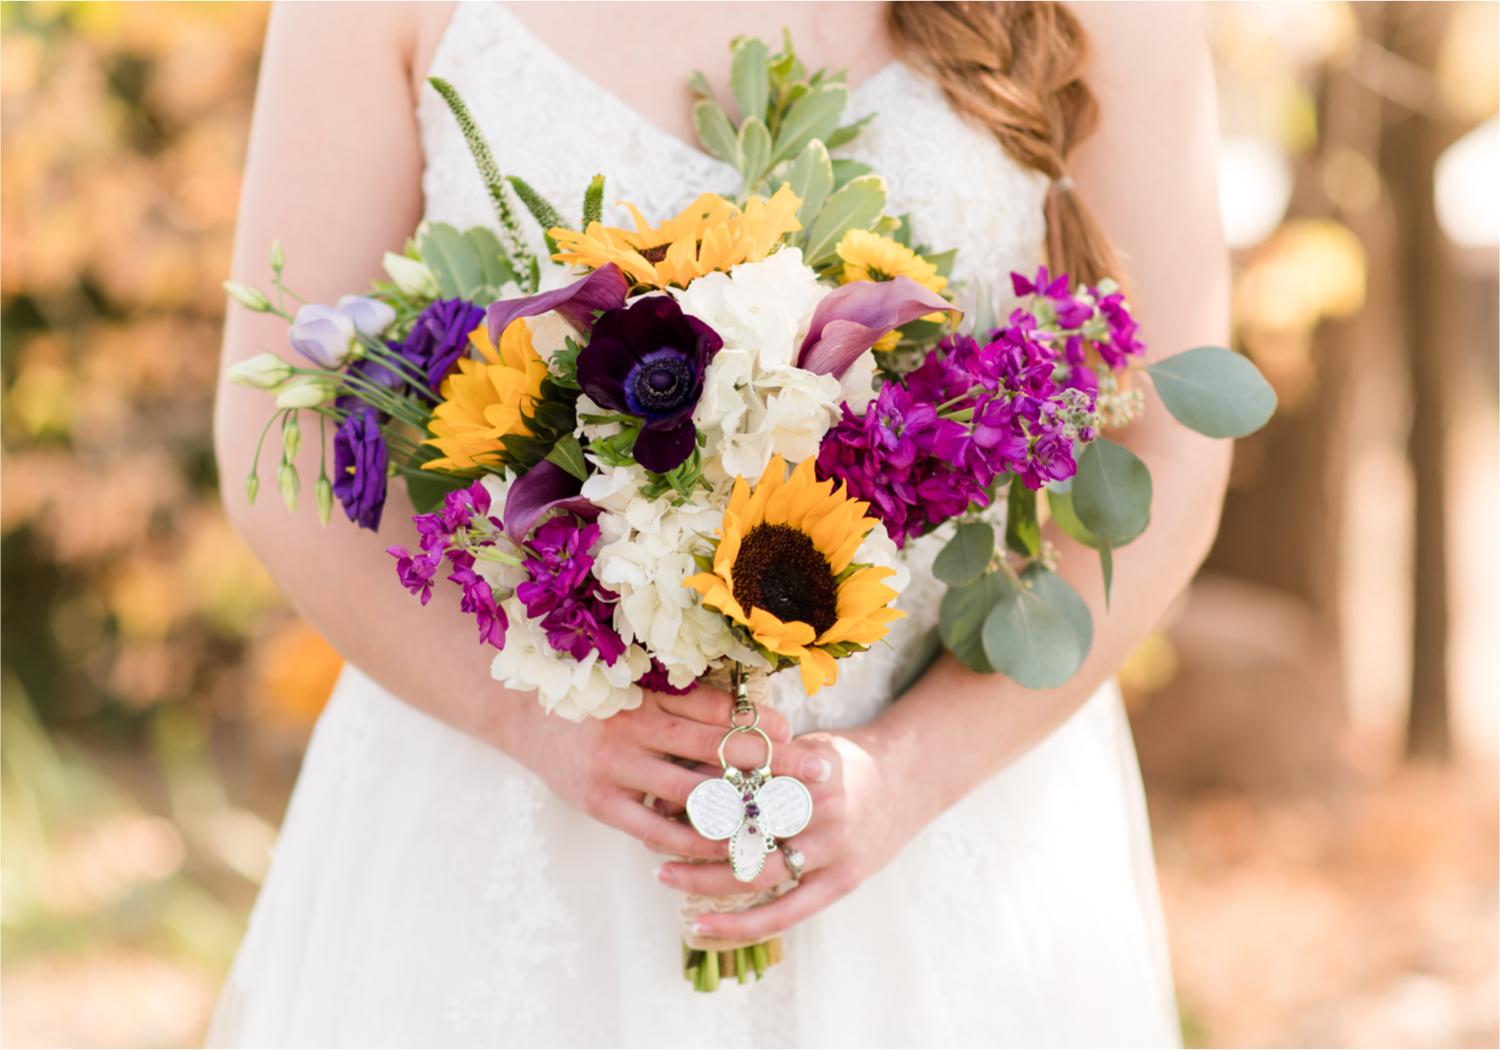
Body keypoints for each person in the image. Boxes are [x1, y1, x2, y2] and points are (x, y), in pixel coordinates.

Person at [210, 2, 1229, 1045]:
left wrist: (909, 772)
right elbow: (276, 439)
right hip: (512, 817)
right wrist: (526, 720)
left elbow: (1172, 454)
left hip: (944, 822)